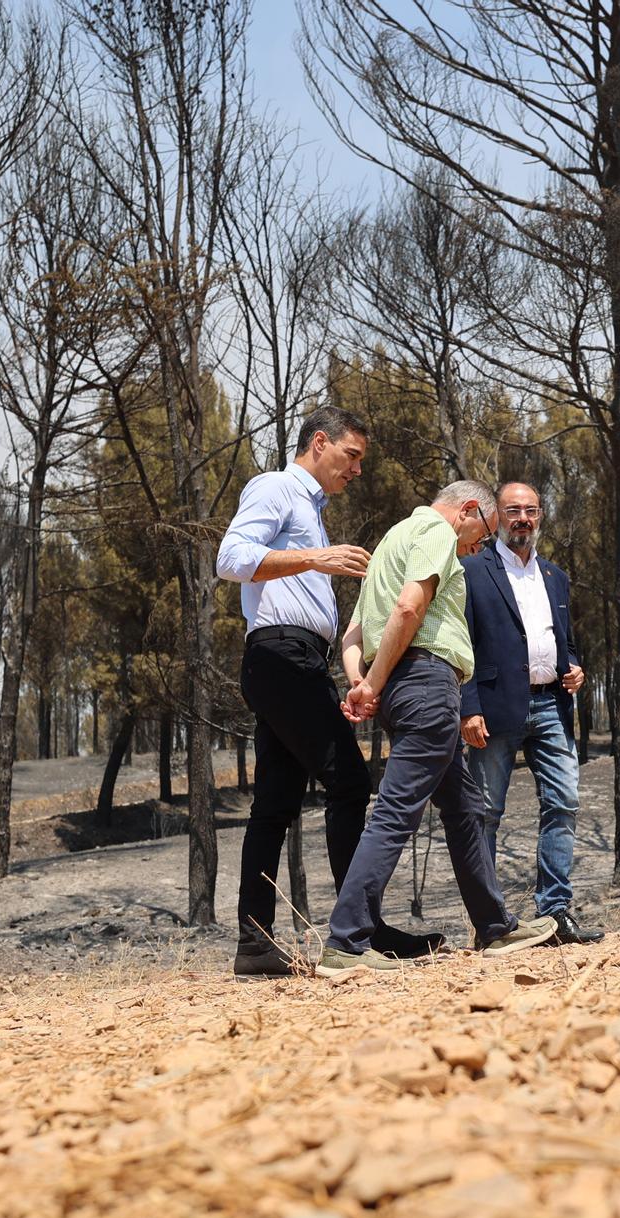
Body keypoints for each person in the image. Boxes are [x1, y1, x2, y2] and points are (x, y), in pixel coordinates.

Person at [215, 406, 442, 977]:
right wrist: (317, 557)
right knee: (347, 781)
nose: (358, 470)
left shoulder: (310, 511)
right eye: (352, 456)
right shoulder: (275, 488)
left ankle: (255, 942)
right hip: (281, 657)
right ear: (320, 442)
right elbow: (231, 559)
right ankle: (356, 935)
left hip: (291, 660)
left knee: (275, 802)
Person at [319, 480, 557, 975]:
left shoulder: (390, 541)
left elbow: (355, 631)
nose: (478, 546)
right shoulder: (434, 531)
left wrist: (361, 681)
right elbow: (409, 608)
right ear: (469, 509)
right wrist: (373, 683)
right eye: (482, 532)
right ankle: (344, 943)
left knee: (464, 807)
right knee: (395, 812)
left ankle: (495, 928)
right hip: (426, 682)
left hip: (403, 688)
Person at [459, 481, 603, 944]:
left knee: (563, 804)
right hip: (495, 709)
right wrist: (468, 707)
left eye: (531, 511)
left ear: (541, 516)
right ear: (496, 516)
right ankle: (490, 924)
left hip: (552, 707)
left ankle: (555, 914)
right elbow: (460, 646)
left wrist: (575, 666)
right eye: (513, 510)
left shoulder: (556, 576)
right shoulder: (471, 572)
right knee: (485, 813)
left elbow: (566, 641)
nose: (523, 519)